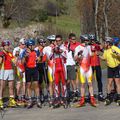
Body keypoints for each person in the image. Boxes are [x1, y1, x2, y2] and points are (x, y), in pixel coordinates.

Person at [74, 34, 97, 107]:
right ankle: (82, 100)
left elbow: (92, 54)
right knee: (83, 84)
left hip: (88, 67)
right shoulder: (78, 47)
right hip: (82, 68)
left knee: (90, 83)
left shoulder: (89, 47)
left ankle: (92, 99)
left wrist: (96, 50)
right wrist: (78, 54)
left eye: (88, 40)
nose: (88, 41)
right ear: (83, 40)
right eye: (87, 40)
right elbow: (75, 58)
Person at [21, 38, 42, 108]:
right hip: (28, 69)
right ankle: (30, 100)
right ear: (28, 46)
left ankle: (38, 99)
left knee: (36, 84)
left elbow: (39, 58)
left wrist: (39, 59)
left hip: (35, 69)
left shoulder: (36, 51)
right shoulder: (25, 52)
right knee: (28, 85)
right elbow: (22, 62)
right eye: (31, 45)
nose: (33, 46)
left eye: (33, 45)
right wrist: (25, 57)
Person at [100, 37, 120, 106]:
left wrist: (116, 53)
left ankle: (119, 96)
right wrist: (98, 56)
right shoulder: (106, 50)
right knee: (109, 83)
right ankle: (108, 97)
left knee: (117, 83)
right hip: (110, 68)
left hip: (116, 67)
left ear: (108, 43)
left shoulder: (115, 48)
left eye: (105, 43)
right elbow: (104, 58)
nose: (104, 44)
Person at [50, 35, 68, 108]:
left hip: (62, 67)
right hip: (56, 67)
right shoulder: (53, 47)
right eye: (56, 41)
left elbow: (66, 56)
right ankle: (57, 98)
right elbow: (50, 57)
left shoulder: (64, 47)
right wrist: (53, 51)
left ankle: (64, 98)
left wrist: (61, 52)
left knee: (63, 83)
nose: (58, 42)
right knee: (56, 83)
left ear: (61, 40)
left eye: (59, 40)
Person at [0, 40, 17, 108]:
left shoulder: (9, 53)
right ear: (3, 47)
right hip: (3, 71)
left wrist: (16, 57)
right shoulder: (1, 53)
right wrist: (2, 57)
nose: (7, 47)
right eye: (5, 46)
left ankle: (11, 100)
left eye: (8, 45)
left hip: (10, 70)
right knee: (2, 87)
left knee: (11, 86)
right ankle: (0, 100)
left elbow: (14, 61)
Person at [88, 34, 104, 101]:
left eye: (93, 40)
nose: (92, 41)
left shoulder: (97, 45)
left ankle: (100, 93)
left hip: (97, 65)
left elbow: (103, 51)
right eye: (91, 40)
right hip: (90, 65)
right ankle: (90, 94)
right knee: (90, 80)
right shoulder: (88, 46)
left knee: (99, 79)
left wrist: (100, 48)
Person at [65, 33, 80, 101]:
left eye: (75, 39)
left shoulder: (77, 45)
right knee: (67, 81)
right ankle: (68, 93)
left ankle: (75, 92)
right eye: (73, 39)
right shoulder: (66, 45)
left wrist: (77, 63)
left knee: (73, 80)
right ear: (70, 39)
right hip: (66, 65)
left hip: (73, 64)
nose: (74, 40)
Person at [12, 38, 26, 106]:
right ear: (20, 44)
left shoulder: (25, 50)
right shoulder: (16, 49)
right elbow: (14, 60)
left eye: (24, 44)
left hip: (24, 68)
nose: (24, 45)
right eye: (23, 44)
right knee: (18, 83)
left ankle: (23, 97)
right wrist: (17, 55)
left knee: (24, 83)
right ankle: (16, 97)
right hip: (18, 68)